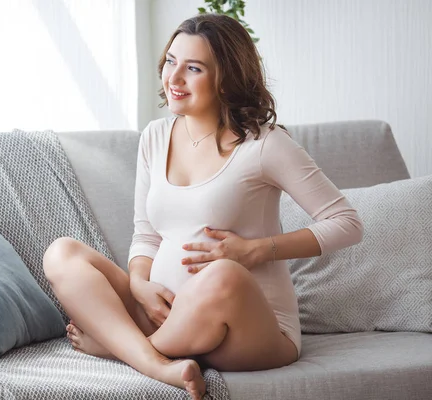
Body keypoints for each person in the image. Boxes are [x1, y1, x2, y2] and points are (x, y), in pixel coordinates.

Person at [43, 13, 363, 400]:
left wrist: (254, 250)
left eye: (193, 68)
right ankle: (155, 358)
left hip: (249, 329)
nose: (174, 78)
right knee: (63, 253)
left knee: (224, 275)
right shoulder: (156, 136)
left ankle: (124, 350)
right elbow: (146, 234)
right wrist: (141, 284)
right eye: (171, 62)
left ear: (226, 77)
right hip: (164, 314)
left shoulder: (265, 145)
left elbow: (346, 223)